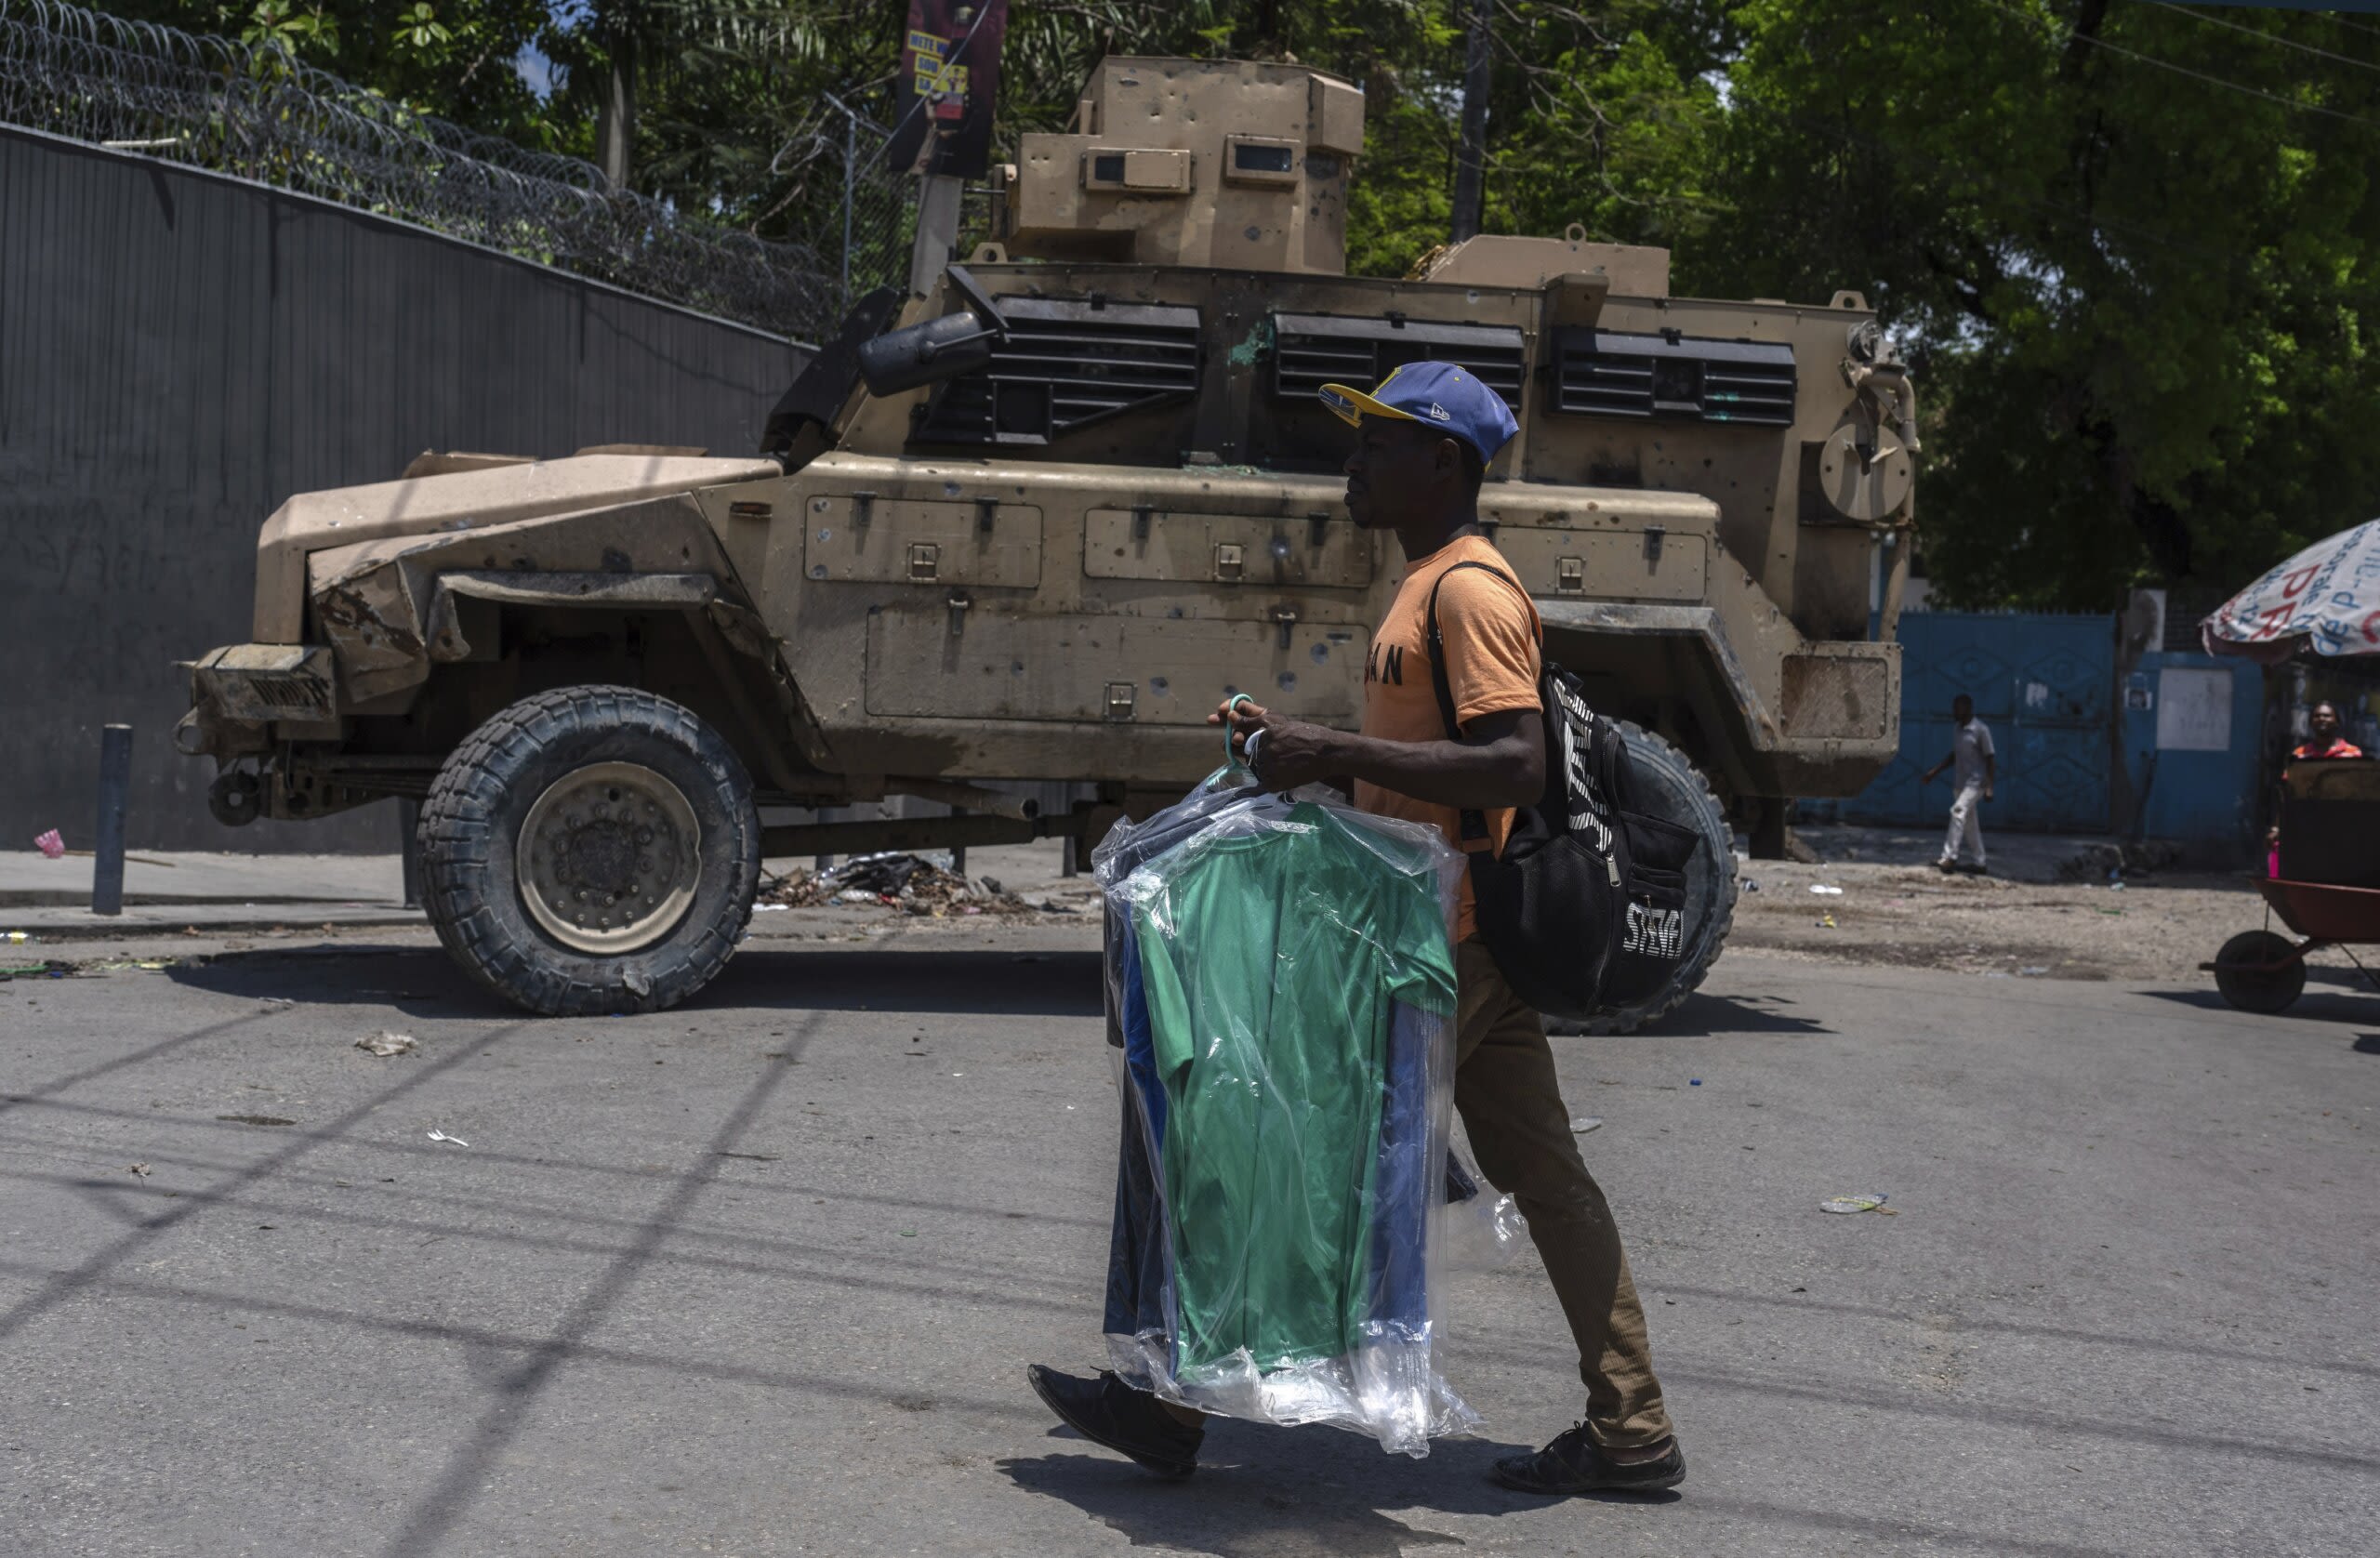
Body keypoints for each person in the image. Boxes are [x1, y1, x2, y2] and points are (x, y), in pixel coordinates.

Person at [1027, 361, 1684, 1496]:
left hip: (1446, 940)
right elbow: (1426, 762)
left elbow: (1514, 762)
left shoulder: (1468, 591)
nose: (1356, 458)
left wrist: (1334, 754)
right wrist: (1298, 744)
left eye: (1381, 439)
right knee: (1545, 1171)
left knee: (1275, 1132)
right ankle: (1632, 1426)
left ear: (1442, 462)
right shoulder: (1425, 581)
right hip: (1449, 930)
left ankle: (1169, 1401)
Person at [1919, 693, 1994, 875]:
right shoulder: (1957, 729)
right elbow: (1955, 755)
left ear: (1968, 708)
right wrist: (1934, 772)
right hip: (1960, 782)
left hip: (1976, 783)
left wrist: (1990, 786)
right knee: (1969, 824)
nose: (1954, 711)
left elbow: (1990, 758)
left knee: (1958, 811)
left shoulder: (1980, 730)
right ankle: (1980, 862)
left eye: (1958, 708)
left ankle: (1949, 857)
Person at [2291, 701, 2364, 762]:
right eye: (2317, 716)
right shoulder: (2299, 754)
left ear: (2337, 722)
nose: (2321, 719)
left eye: (2327, 716)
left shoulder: (2353, 753)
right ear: (2310, 723)